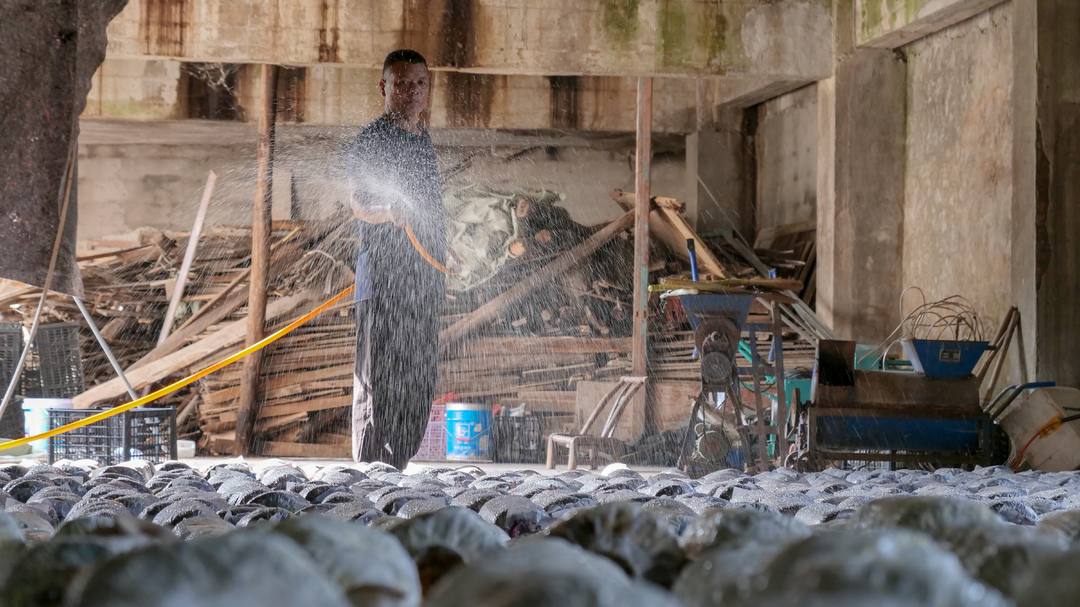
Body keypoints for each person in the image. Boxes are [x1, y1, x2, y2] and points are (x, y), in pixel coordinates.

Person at [346, 49, 447, 469]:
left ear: (428, 89)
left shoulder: (423, 141)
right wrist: (389, 211)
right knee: (378, 381)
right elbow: (357, 203)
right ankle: (369, 473)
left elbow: (431, 208)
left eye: (419, 84)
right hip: (383, 282)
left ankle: (398, 466)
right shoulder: (370, 141)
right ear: (384, 87)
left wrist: (444, 246)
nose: (412, 91)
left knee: (418, 378)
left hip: (424, 283)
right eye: (402, 83)